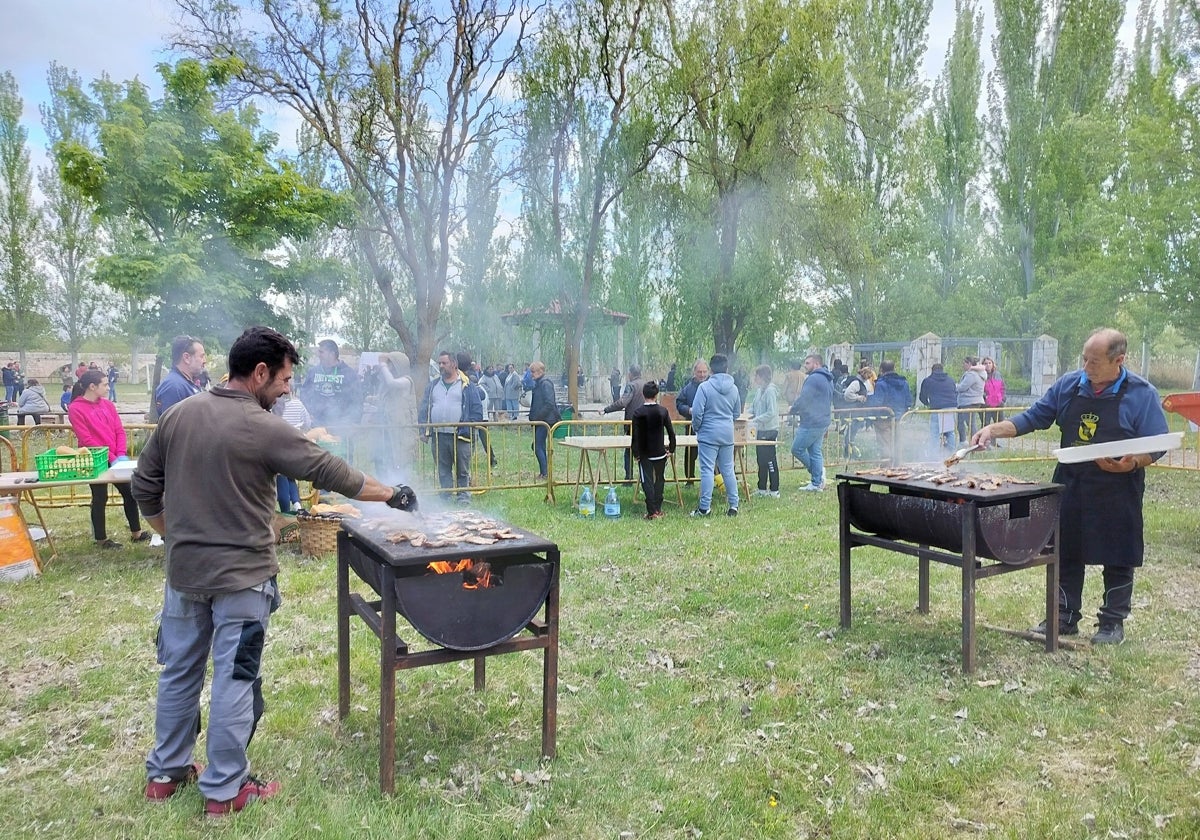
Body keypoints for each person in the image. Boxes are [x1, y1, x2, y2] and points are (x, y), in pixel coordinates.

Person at [132, 326, 416, 816]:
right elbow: (333, 473)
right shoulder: (263, 427)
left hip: (183, 575)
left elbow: (143, 488)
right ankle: (225, 789)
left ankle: (165, 773)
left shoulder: (178, 415)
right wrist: (392, 493)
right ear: (259, 372)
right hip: (241, 581)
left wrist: (173, 534)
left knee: (178, 670)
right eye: (284, 379)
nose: (287, 389)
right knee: (235, 679)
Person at [973, 329, 1168, 645]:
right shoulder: (1069, 385)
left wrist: (1132, 462)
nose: (1087, 367)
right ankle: (1064, 616)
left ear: (1119, 360)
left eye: (1095, 361)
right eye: (1084, 359)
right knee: (1065, 548)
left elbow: (1159, 442)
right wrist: (993, 429)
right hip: (1072, 481)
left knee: (1119, 552)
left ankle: (1111, 623)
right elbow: (1035, 417)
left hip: (1118, 485)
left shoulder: (1141, 393)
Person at [68, 370, 152, 549]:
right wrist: (112, 457)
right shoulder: (76, 408)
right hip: (95, 459)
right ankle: (101, 539)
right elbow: (87, 440)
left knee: (130, 493)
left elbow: (119, 430)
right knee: (100, 497)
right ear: (92, 386)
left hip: (117, 458)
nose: (108, 387)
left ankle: (136, 533)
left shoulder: (108, 405)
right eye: (105, 384)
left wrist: (120, 454)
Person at [417, 350, 484, 503]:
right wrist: (423, 429)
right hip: (439, 435)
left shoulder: (467, 385)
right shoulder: (433, 385)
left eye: (444, 363)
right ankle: (445, 495)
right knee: (443, 468)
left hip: (460, 435)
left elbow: (476, 410)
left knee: (462, 468)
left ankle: (463, 497)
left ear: (454, 364)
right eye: (439, 363)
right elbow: (424, 408)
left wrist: (469, 425)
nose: (441, 366)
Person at [690, 353, 740, 517]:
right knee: (728, 470)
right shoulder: (734, 388)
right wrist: (726, 422)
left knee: (706, 470)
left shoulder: (704, 387)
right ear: (726, 368)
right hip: (727, 434)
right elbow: (736, 413)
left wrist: (698, 428)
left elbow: (697, 412)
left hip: (708, 434)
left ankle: (704, 508)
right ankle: (734, 505)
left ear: (711, 369)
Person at [631, 381, 676, 519]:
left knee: (647, 482)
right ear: (656, 395)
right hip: (660, 452)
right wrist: (671, 448)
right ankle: (658, 508)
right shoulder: (663, 411)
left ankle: (651, 511)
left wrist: (636, 453)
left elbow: (635, 436)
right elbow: (671, 432)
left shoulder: (638, 413)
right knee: (660, 480)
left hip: (645, 454)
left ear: (643, 394)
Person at [788, 354, 834, 492]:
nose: (805, 366)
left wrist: (792, 409)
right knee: (815, 451)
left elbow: (804, 399)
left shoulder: (813, 379)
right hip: (822, 419)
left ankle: (818, 475)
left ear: (817, 364)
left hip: (812, 421)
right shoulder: (828, 378)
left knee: (796, 449)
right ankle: (816, 482)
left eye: (808, 363)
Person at [300, 339, 362, 432]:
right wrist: (307, 413)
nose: (319, 355)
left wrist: (352, 420)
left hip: (341, 425)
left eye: (322, 352)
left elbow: (357, 400)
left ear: (332, 354)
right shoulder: (313, 372)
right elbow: (304, 393)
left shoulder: (349, 373)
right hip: (317, 425)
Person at [376, 352, 418, 476]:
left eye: (390, 363)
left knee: (401, 462)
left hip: (402, 431)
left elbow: (392, 383)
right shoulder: (387, 385)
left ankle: (403, 490)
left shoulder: (406, 381)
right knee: (388, 462)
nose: (387, 367)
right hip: (389, 430)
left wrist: (383, 364)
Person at [602, 364, 646, 481]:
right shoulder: (646, 385)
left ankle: (629, 478)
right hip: (646, 423)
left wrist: (606, 409)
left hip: (633, 423)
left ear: (630, 374)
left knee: (629, 450)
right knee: (644, 450)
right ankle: (644, 477)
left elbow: (622, 402)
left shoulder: (631, 386)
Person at [270, 392, 312, 513]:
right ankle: (296, 506)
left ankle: (286, 513)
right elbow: (307, 423)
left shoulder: (271, 420)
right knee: (289, 478)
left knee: (283, 478)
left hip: (279, 455)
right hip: (291, 451)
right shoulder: (297, 405)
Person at [869, 360, 914, 465]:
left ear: (881, 370)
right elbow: (909, 401)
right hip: (899, 418)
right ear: (894, 368)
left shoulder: (881, 384)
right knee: (897, 444)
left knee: (885, 445)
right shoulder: (904, 383)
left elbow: (877, 402)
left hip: (883, 420)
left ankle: (887, 468)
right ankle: (897, 467)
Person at [674, 359, 710, 484]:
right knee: (690, 453)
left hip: (710, 426)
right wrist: (689, 410)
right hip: (692, 427)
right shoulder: (688, 388)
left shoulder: (712, 385)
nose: (702, 375)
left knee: (712, 455)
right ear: (694, 372)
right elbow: (679, 403)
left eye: (704, 371)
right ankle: (689, 479)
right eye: (699, 372)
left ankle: (716, 479)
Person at [155, 335, 207, 418]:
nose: (205, 361)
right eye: (201, 356)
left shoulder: (186, 384)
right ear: (186, 358)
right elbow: (172, 427)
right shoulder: (173, 387)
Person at [748, 364, 780, 497]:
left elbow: (771, 412)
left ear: (762, 377)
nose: (755, 378)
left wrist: (756, 420)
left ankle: (774, 489)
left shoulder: (770, 391)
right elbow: (754, 408)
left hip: (770, 430)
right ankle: (761, 488)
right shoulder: (759, 391)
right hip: (760, 431)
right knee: (760, 460)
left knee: (770, 460)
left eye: (757, 376)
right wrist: (746, 415)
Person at [527, 361, 559, 480]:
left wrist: (537, 417)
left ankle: (545, 473)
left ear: (540, 371)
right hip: (542, 420)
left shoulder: (545, 384)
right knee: (538, 445)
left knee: (537, 446)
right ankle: (544, 472)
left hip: (545, 421)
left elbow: (549, 404)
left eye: (533, 371)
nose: (531, 374)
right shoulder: (539, 383)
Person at [919, 362, 958, 454]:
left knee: (935, 433)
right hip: (951, 408)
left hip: (937, 408)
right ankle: (951, 454)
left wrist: (928, 404)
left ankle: (934, 455)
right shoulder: (950, 380)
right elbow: (955, 393)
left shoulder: (928, 380)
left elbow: (922, 396)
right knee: (950, 431)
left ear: (932, 370)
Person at [955, 356, 986, 446]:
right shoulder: (980, 374)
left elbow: (962, 387)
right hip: (974, 400)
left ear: (969, 364)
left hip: (968, 401)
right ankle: (968, 441)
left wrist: (955, 386)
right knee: (967, 422)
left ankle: (975, 443)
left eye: (964, 363)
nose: (962, 365)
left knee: (970, 424)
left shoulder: (971, 375)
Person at [982, 356, 1006, 433]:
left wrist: (1002, 399)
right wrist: (985, 397)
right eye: (985, 363)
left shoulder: (998, 374)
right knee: (986, 424)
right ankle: (986, 442)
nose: (988, 365)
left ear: (993, 364)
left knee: (1000, 424)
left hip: (999, 403)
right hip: (987, 405)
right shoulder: (982, 375)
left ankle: (998, 442)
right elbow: (980, 389)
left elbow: (1003, 387)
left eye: (989, 363)